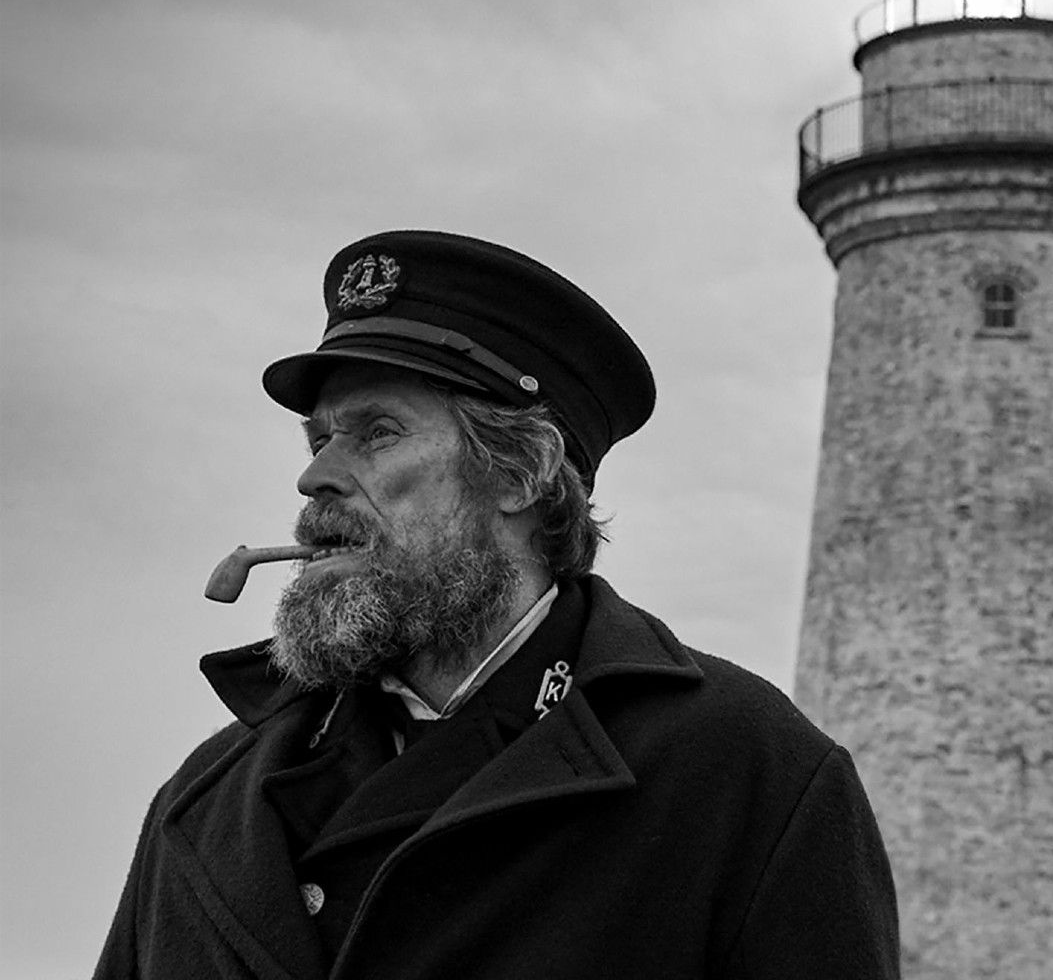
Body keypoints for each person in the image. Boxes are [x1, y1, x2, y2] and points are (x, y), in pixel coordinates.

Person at [97, 231, 901, 979]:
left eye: (375, 434)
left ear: (521, 475)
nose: (315, 479)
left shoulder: (746, 776)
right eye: (318, 440)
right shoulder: (207, 798)